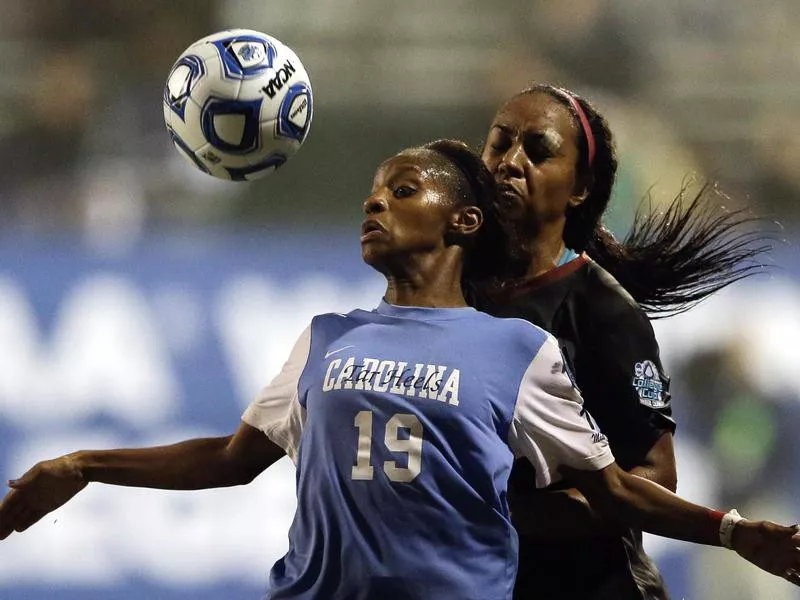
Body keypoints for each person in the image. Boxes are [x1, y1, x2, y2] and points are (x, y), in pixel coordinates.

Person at [0, 140, 797, 600]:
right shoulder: (325, 338)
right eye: (373, 194)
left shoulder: (516, 353)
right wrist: (81, 465)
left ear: (463, 219)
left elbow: (613, 490)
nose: (374, 205)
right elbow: (231, 460)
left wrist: (731, 532)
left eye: (403, 190)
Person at [476, 83, 773, 600]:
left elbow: (657, 476)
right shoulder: (456, 293)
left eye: (539, 151)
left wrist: (516, 512)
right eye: (500, 143)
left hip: (597, 586)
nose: (510, 161)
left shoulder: (603, 309)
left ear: (580, 187)